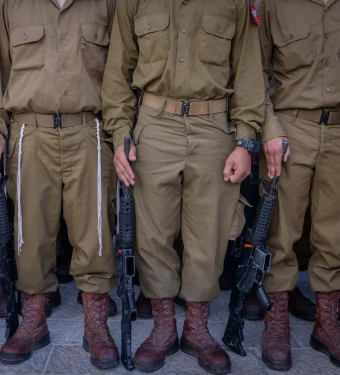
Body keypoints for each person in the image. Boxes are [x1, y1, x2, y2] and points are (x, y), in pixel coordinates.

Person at [103, 1, 264, 373]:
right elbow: (118, 72)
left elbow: (249, 72)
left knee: (208, 233)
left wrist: (245, 141)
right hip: (154, 124)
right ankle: (163, 329)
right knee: (152, 232)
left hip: (213, 127)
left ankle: (197, 329)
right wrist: (121, 131)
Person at [0, 0, 119, 369]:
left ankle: (97, 325)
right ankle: (33, 321)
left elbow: (120, 73)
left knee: (96, 233)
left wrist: (121, 134)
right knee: (31, 234)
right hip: (30, 131)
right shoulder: (13, 5)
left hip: (88, 128)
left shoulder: (107, 3)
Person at [256, 0, 340, 370]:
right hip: (290, 129)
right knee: (281, 234)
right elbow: (253, 74)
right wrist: (269, 128)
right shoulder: (274, 3)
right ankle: (276, 323)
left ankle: (327, 324)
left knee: (334, 236)